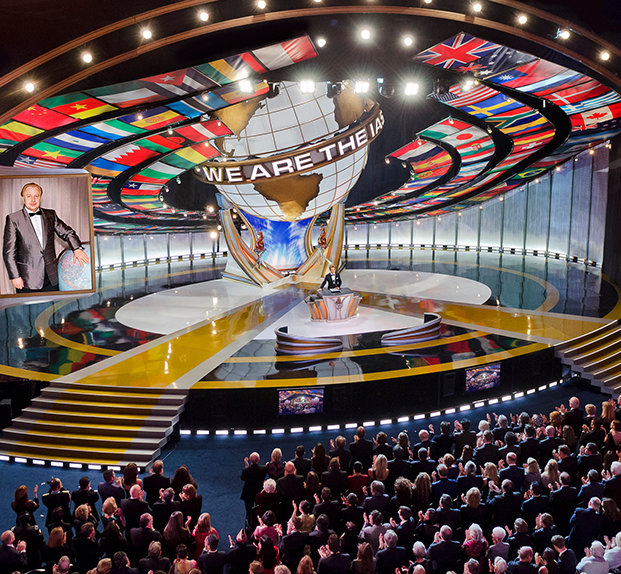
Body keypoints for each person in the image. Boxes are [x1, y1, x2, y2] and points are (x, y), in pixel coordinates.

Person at [2, 182, 89, 293]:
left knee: (54, 304)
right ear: (23, 198)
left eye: (36, 196)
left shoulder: (50, 214)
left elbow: (68, 233)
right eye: (29, 196)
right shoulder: (13, 219)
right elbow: (9, 252)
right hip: (27, 279)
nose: (33, 200)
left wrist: (76, 248)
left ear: (41, 198)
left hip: (51, 277)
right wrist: (15, 276)